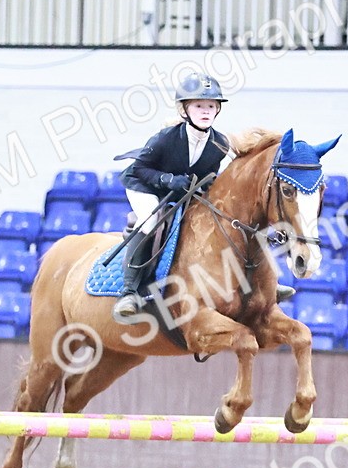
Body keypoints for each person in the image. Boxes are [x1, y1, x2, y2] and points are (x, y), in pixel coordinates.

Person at [111, 73, 295, 321]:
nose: (205, 111)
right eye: (199, 106)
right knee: (152, 222)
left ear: (218, 110)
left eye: (211, 106)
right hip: (145, 186)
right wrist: (168, 180)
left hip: (184, 191)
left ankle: (263, 283)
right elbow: (140, 169)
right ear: (185, 110)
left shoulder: (219, 143)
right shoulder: (166, 138)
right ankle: (129, 291)